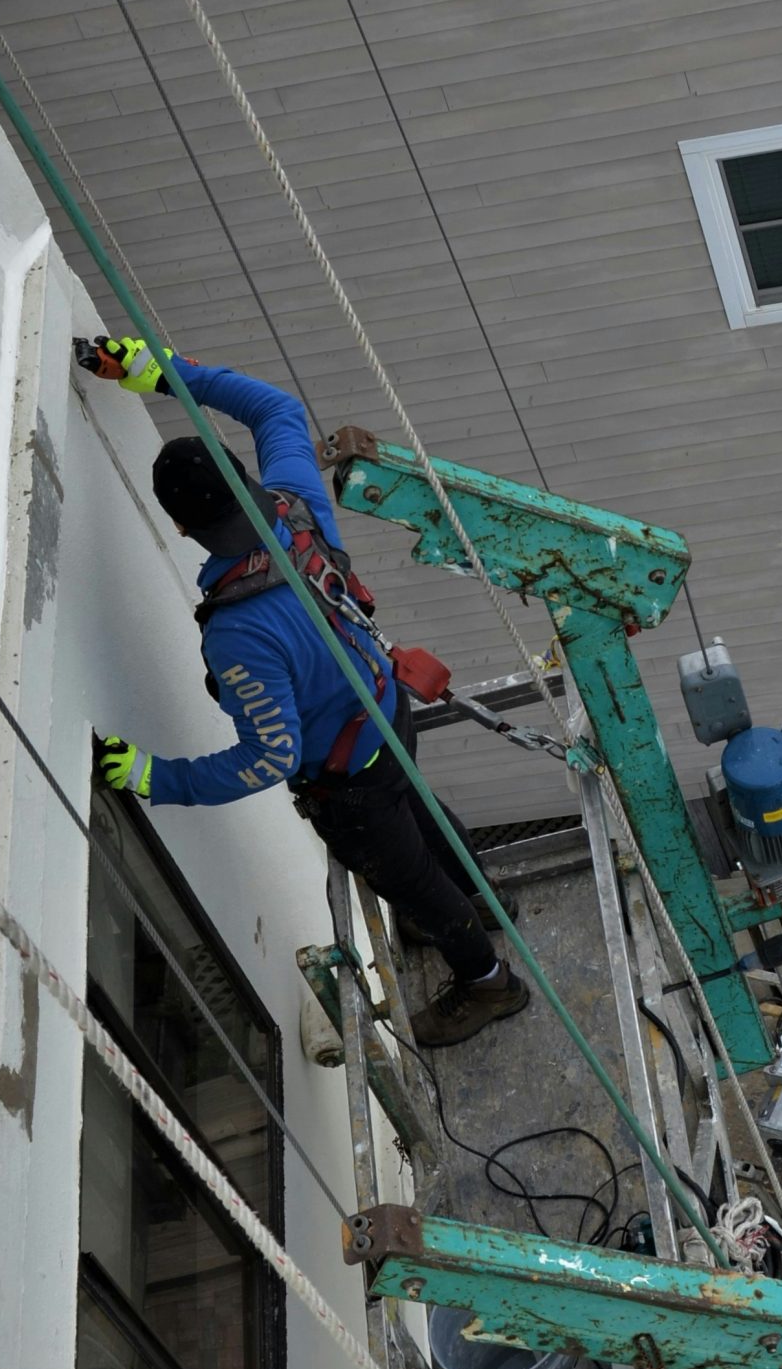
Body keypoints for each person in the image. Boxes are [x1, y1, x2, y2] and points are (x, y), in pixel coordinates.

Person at [82, 335, 527, 1049]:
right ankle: (481, 900)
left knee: (416, 884)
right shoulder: (294, 505)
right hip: (388, 712)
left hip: (348, 781)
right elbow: (277, 411)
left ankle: (488, 982)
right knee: (423, 810)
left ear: (179, 526)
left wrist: (156, 776)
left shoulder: (240, 636)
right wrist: (157, 370)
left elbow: (271, 756)